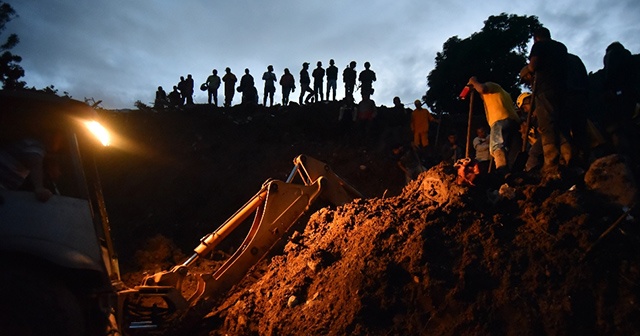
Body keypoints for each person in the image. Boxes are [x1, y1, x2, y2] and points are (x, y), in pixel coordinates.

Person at [527, 27, 569, 181]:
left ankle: (551, 164)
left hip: (546, 88)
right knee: (561, 123)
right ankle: (567, 158)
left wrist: (530, 69)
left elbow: (533, 66)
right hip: (563, 89)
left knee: (548, 125)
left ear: (536, 38)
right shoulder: (561, 47)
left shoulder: (539, 46)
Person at [467, 76, 520, 176]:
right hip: (513, 121)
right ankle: (514, 173)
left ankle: (502, 170)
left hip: (499, 120)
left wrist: (474, 81)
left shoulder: (493, 87)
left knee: (496, 146)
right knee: (510, 148)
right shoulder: (505, 94)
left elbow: (481, 88)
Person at [602, 41, 638, 166]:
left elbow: (610, 73)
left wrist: (608, 88)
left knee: (617, 126)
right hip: (631, 95)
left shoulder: (612, 55)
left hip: (618, 94)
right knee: (628, 122)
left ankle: (624, 157)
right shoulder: (630, 58)